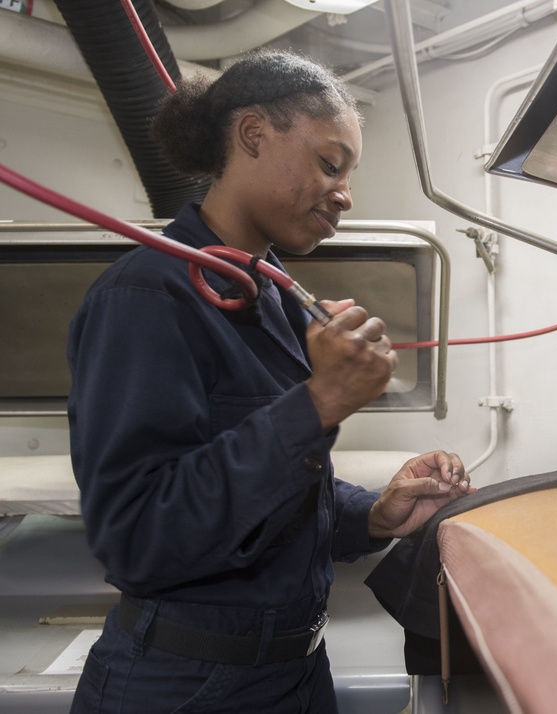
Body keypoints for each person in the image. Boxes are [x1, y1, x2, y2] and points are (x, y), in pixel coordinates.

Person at [66, 49, 473, 713]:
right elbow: (138, 538)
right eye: (329, 163)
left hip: (294, 674)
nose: (345, 193)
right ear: (253, 135)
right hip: (187, 685)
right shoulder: (144, 297)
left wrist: (371, 514)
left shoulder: (274, 299)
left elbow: (274, 493)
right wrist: (321, 401)